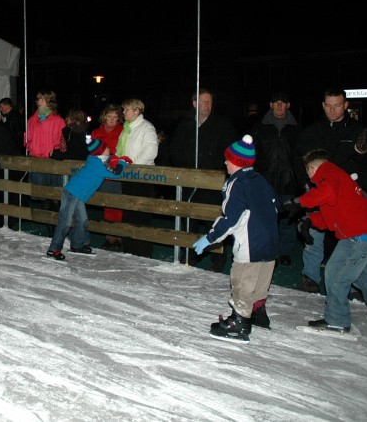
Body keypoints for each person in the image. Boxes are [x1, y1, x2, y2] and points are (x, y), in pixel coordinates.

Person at [283, 149, 367, 332]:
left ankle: (337, 319)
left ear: (311, 168)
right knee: (360, 275)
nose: (308, 177)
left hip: (360, 235)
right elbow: (332, 214)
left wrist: (298, 202)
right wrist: (310, 220)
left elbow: (325, 193)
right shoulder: (336, 178)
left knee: (336, 273)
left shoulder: (329, 174)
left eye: (307, 172)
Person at [192, 135, 279, 342]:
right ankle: (258, 312)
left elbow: (231, 219)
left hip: (250, 243)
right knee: (261, 279)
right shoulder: (261, 180)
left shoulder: (237, 183)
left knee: (242, 280)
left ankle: (239, 321)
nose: (225, 163)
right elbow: (276, 206)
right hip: (271, 241)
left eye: (228, 159)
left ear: (237, 162)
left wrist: (209, 238)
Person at [294, 88, 367, 293]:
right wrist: (306, 183)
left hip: (350, 197)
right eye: (329, 106)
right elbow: (298, 160)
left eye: (338, 105)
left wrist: (360, 186)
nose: (333, 110)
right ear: (323, 106)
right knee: (313, 235)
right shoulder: (312, 131)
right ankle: (310, 277)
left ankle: (353, 286)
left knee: (354, 239)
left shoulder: (359, 131)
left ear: (346, 105)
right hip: (319, 192)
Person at [170, 88, 236, 272]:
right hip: (189, 181)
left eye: (210, 102)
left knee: (213, 220)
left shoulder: (222, 126)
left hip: (212, 182)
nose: (208, 105)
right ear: (194, 103)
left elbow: (228, 152)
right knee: (189, 220)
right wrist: (187, 168)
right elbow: (175, 151)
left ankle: (217, 258)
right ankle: (189, 255)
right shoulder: (185, 125)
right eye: (204, 102)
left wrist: (211, 169)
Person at [45, 139, 129, 261]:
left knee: (82, 220)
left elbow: (108, 162)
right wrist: (122, 162)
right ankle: (53, 249)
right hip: (72, 193)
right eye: (106, 148)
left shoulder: (96, 160)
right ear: (101, 151)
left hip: (77, 194)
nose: (108, 149)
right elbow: (116, 173)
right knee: (65, 222)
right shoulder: (98, 165)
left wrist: (115, 158)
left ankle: (77, 245)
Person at [251, 91, 304, 266]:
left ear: (288, 105)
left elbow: (300, 156)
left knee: (287, 218)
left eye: (283, 102)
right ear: (271, 105)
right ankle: (267, 249)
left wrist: (301, 179)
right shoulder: (260, 127)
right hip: (265, 181)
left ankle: (285, 252)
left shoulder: (297, 129)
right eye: (276, 102)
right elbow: (252, 153)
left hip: (289, 181)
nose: (279, 105)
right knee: (266, 218)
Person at [116, 98, 159, 258]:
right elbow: (120, 149)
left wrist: (132, 166)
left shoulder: (146, 127)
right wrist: (117, 160)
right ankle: (129, 248)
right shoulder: (126, 129)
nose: (123, 112)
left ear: (136, 111)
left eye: (126, 109)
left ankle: (143, 251)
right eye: (123, 109)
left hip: (142, 177)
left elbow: (151, 151)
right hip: (127, 176)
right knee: (128, 212)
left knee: (141, 214)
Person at [25, 89, 66, 230]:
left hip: (52, 162)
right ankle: (49, 228)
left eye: (43, 99)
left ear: (50, 101)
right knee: (42, 196)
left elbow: (62, 141)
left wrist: (55, 151)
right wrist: (31, 146)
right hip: (37, 160)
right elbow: (27, 138)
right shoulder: (32, 120)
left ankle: (57, 227)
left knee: (55, 197)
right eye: (38, 99)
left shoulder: (58, 120)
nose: (39, 102)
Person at [91, 104, 125, 249]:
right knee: (106, 204)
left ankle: (117, 237)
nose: (112, 119)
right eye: (109, 116)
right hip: (101, 172)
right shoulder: (96, 132)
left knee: (117, 205)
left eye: (115, 117)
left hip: (115, 172)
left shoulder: (122, 131)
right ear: (104, 117)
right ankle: (109, 236)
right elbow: (92, 151)